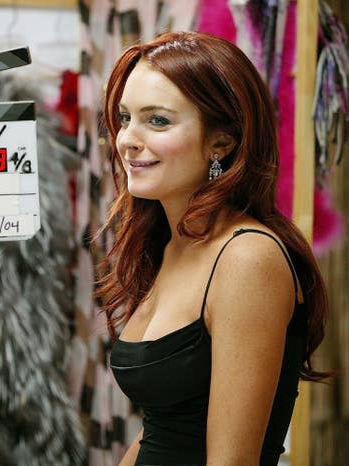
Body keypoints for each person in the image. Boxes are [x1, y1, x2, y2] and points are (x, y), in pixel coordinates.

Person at [99, 31, 329, 466]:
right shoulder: (171, 246)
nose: (127, 138)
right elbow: (162, 428)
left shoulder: (247, 258)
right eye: (125, 117)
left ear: (221, 142)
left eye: (158, 121)